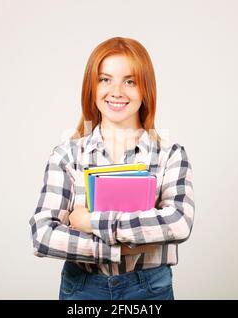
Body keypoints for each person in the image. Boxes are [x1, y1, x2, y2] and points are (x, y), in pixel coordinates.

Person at [29, 37, 195, 300]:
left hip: (149, 290)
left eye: (130, 81)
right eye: (105, 79)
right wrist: (117, 249)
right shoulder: (67, 156)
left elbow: (177, 223)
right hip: (82, 289)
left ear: (145, 90)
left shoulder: (169, 155)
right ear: (91, 88)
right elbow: (43, 235)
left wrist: (88, 222)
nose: (116, 91)